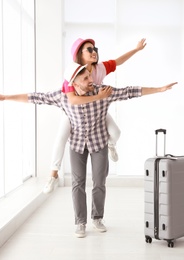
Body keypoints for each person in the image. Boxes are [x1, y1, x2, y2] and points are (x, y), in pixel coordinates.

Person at [0, 62, 176, 238]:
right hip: (77, 145)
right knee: (78, 183)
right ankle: (80, 222)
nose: (90, 80)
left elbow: (129, 92)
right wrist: (6, 97)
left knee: (99, 182)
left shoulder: (103, 91)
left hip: (99, 142)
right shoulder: (63, 97)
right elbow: (35, 97)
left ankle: (97, 217)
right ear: (74, 83)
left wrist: (159, 89)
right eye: (85, 78)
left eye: (89, 76)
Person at [43, 38, 147, 194]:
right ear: (79, 54)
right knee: (61, 137)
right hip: (75, 113)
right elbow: (72, 99)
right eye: (89, 50)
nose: (94, 52)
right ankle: (53, 174)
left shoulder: (101, 68)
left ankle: (110, 145)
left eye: (95, 49)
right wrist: (98, 97)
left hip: (96, 111)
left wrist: (136, 49)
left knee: (116, 132)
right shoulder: (73, 73)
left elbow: (119, 61)